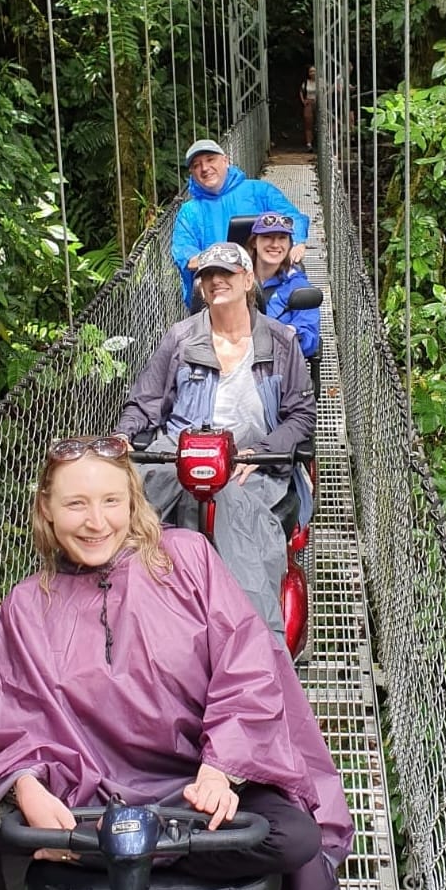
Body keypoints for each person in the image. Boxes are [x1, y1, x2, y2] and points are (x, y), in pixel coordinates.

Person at [0, 438, 353, 890]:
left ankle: (114, 859)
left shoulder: (186, 560)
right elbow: (6, 715)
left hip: (187, 796)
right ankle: (132, 852)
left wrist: (219, 770)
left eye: (110, 502)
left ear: (132, 504)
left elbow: (247, 665)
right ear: (48, 512)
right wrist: (27, 789)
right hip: (91, 799)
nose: (95, 521)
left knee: (292, 836)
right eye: (76, 504)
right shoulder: (27, 605)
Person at [112, 241, 315, 642]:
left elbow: (301, 415)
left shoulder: (280, 341)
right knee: (114, 517)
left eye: (226, 272)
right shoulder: (180, 338)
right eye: (207, 275)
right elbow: (146, 403)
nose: (216, 280)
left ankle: (258, 649)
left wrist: (262, 452)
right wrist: (123, 434)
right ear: (201, 287)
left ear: (247, 278)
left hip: (249, 465)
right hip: (177, 458)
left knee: (241, 532)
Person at [171, 138, 310, 305]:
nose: (205, 168)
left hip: (266, 283)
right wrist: (220, 261)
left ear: (226, 161)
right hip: (218, 293)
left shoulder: (258, 191)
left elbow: (291, 218)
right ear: (192, 173)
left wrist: (298, 241)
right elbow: (185, 254)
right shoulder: (189, 212)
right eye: (196, 165)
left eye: (210, 160)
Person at [247, 212, 321, 359]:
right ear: (254, 242)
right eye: (267, 237)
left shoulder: (298, 286)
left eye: (282, 238)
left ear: (289, 244)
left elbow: (310, 339)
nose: (275, 244)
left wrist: (289, 336)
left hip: (278, 364)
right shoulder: (235, 279)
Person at [299, 66, 317, 151]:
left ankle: (319, 142)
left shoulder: (320, 82)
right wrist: (303, 101)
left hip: (318, 103)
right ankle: (309, 144)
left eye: (314, 71)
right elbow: (301, 92)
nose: (313, 73)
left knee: (320, 123)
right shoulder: (306, 82)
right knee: (308, 123)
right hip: (309, 103)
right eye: (311, 71)